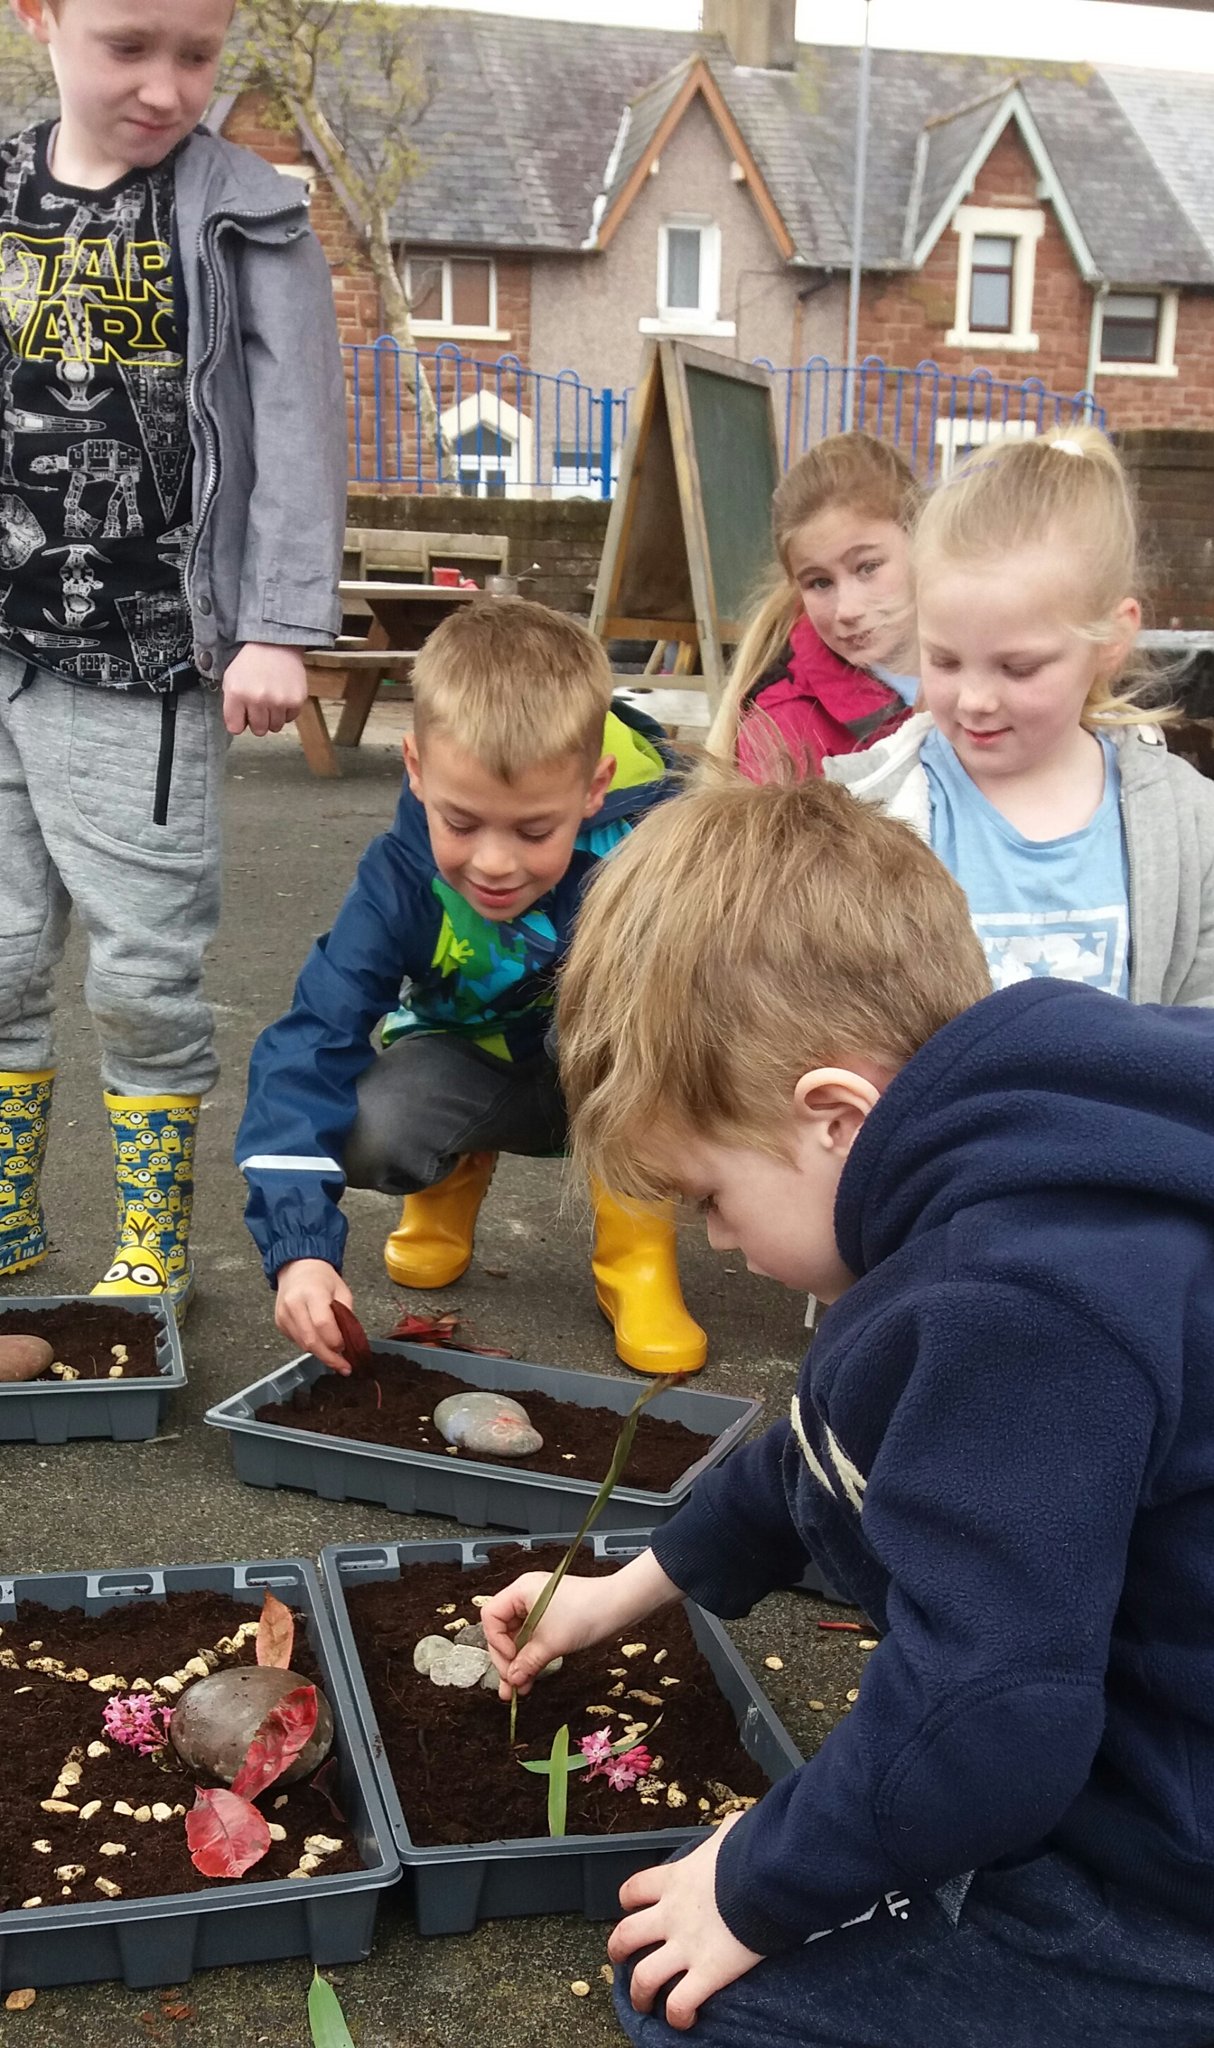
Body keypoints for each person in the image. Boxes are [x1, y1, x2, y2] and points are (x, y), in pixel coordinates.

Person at [484, 773, 1214, 2047]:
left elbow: (992, 1719)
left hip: (1175, 1868)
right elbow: (831, 1448)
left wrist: (753, 1882)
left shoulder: (1017, 1305)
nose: (713, 1238)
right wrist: (622, 1586)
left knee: (684, 1998)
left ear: (833, 1116)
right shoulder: (1038, 1132)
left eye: (708, 1193)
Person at [0, 0, 347, 1312]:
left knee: (142, 959)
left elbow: (300, 422)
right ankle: (8, 1220)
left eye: (196, 55)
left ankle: (148, 1234)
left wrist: (277, 622)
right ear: (40, 14)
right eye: (128, 46)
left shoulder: (245, 212)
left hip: (140, 653)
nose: (164, 86)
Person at [237, 597, 707, 1379]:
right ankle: (453, 1174)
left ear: (592, 789)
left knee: (646, 1020)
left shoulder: (653, 857)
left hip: (607, 1082)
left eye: (532, 831)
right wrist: (299, 1252)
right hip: (474, 1065)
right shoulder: (398, 880)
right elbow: (312, 1039)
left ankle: (636, 1256)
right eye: (462, 823)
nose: (494, 863)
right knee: (371, 1123)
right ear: (416, 768)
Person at [824, 426, 1214, 1003]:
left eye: (1019, 668)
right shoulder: (868, 815)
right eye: (946, 660)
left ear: (1112, 638)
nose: (975, 699)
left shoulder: (1189, 826)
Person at [706, 432, 919, 779]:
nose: (847, 610)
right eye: (820, 583)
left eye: (867, 567)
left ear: (919, 537)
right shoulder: (784, 730)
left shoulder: (993, 670)